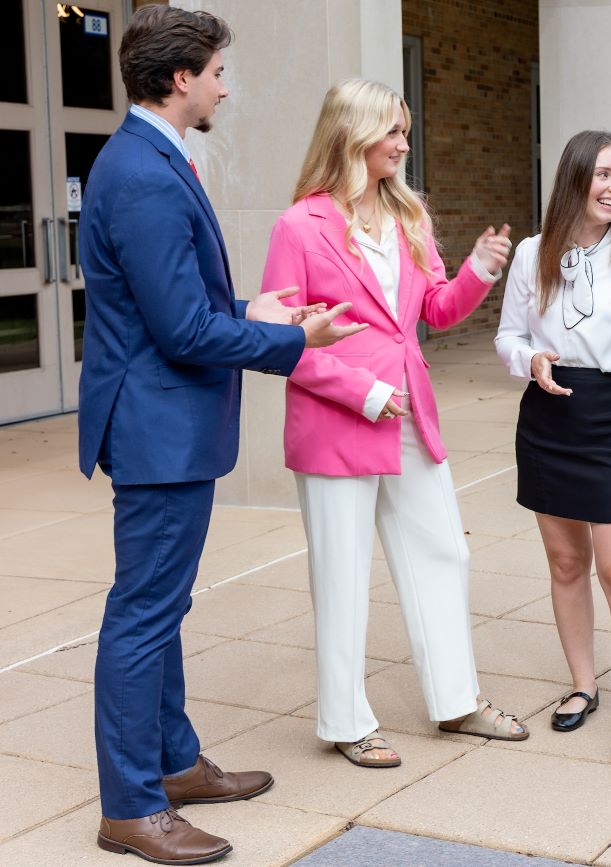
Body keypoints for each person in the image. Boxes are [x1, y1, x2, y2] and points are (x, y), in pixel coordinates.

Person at [78, 7, 363, 864]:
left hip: (168, 423)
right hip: (158, 427)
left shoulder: (150, 159)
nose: (224, 86)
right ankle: (132, 806)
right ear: (180, 80)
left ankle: (171, 762)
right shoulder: (144, 173)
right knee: (143, 614)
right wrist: (292, 341)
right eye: (216, 73)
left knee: (162, 607)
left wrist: (258, 310)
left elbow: (182, 308)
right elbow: (181, 334)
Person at [260, 78, 527, 768]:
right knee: (343, 573)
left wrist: (477, 271)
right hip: (337, 417)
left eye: (405, 132)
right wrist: (361, 391)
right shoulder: (299, 225)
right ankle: (347, 721)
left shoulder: (410, 215)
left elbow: (436, 309)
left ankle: (456, 701)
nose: (405, 144)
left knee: (445, 550)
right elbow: (282, 340)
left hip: (409, 411)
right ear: (354, 133)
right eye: (394, 132)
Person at [495, 130, 611, 765]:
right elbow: (508, 337)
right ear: (574, 178)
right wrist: (532, 358)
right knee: (566, 565)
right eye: (603, 174)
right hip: (549, 414)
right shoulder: (532, 253)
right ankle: (581, 685)